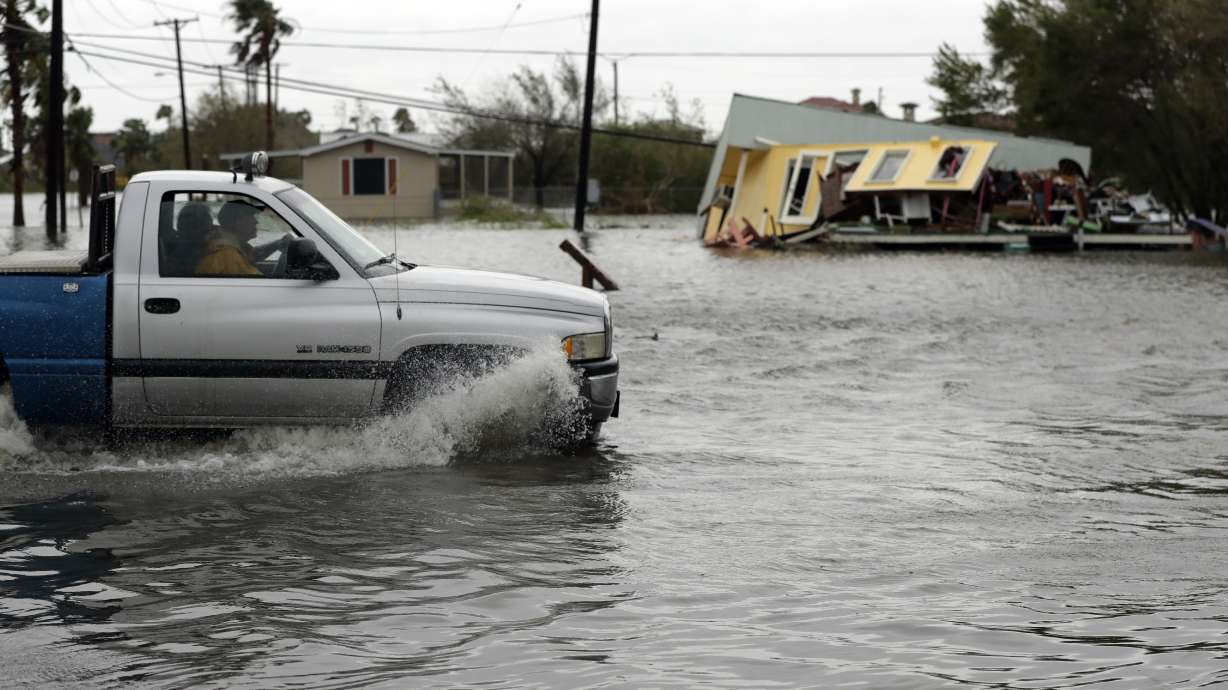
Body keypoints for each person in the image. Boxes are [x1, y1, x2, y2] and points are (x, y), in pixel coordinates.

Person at [195, 199, 289, 277]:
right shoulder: (228, 254)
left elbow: (254, 254)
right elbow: (265, 285)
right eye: (251, 217)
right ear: (237, 222)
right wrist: (287, 253)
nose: (255, 221)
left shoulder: (227, 242)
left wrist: (279, 244)